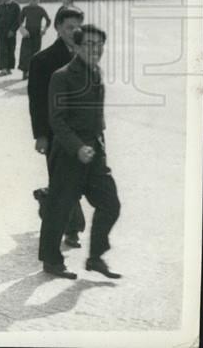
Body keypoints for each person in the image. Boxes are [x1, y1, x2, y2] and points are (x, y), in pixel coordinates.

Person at [39, 25, 122, 280]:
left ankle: (96, 257)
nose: (95, 50)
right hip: (67, 154)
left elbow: (98, 116)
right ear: (75, 46)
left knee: (110, 203)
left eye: (99, 45)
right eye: (89, 44)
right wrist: (77, 147)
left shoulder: (96, 72)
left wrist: (99, 146)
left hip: (95, 154)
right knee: (60, 208)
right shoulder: (61, 76)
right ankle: (51, 261)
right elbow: (57, 120)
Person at [28, 5, 87, 248]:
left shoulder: (86, 55)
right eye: (69, 27)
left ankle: (46, 198)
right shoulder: (42, 60)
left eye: (78, 27)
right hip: (56, 133)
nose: (74, 32)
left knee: (80, 179)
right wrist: (41, 135)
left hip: (83, 133)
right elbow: (37, 102)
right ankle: (72, 229)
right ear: (58, 28)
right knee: (65, 180)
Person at [17, 0, 51, 80]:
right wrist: (22, 29)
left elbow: (48, 20)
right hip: (27, 34)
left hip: (37, 34)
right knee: (25, 53)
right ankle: (25, 72)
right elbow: (19, 20)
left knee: (36, 53)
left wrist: (44, 29)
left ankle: (33, 72)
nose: (36, 1)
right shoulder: (25, 9)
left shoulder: (41, 9)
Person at [0, 0, 21, 75]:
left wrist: (13, 30)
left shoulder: (16, 6)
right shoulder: (0, 6)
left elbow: (18, 20)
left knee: (11, 49)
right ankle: (3, 68)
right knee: (2, 50)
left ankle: (9, 68)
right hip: (1, 32)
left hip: (11, 33)